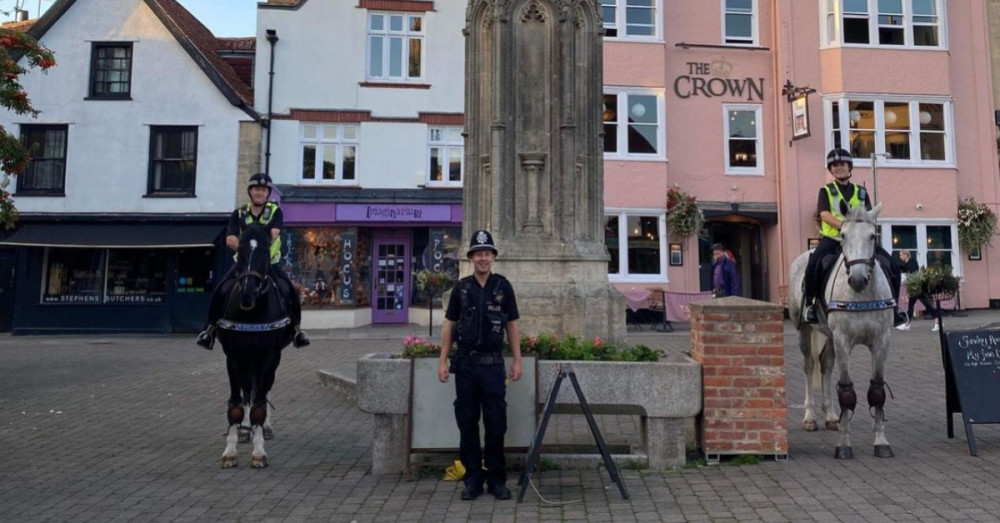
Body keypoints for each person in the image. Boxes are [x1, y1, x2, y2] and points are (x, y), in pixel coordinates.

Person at [437, 230, 522, 501]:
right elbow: (449, 325)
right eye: (478, 254)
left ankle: (497, 480)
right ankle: (473, 480)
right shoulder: (461, 289)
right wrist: (442, 360)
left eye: (487, 253)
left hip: (493, 366)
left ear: (492, 257)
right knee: (468, 424)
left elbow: (512, 324)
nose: (483, 258)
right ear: (471, 258)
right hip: (466, 367)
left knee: (496, 425)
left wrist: (517, 360)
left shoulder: (503, 286)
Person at [196, 173, 310, 349]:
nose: (260, 193)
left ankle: (296, 330)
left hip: (269, 264)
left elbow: (274, 234)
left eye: (264, 190)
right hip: (243, 264)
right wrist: (247, 248)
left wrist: (255, 245)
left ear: (268, 193)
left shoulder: (275, 212)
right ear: (250, 191)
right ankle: (209, 330)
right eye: (257, 189)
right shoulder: (239, 213)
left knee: (289, 290)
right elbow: (230, 239)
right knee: (220, 289)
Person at [803, 148, 906, 326]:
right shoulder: (826, 191)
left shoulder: (861, 192)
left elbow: (869, 216)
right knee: (813, 264)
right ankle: (811, 304)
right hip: (833, 239)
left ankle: (895, 310)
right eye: (834, 165)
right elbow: (825, 215)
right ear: (831, 170)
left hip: (859, 241)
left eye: (842, 164)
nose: (838, 168)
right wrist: (845, 226)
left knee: (891, 264)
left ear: (849, 166)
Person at [895, 249, 940, 332]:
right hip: (915, 288)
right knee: (911, 306)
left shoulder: (912, 263)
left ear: (906, 255)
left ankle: (937, 322)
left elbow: (914, 275)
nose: (900, 257)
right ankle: (907, 324)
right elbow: (903, 269)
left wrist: (909, 292)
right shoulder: (907, 263)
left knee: (927, 305)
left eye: (901, 255)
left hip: (918, 287)